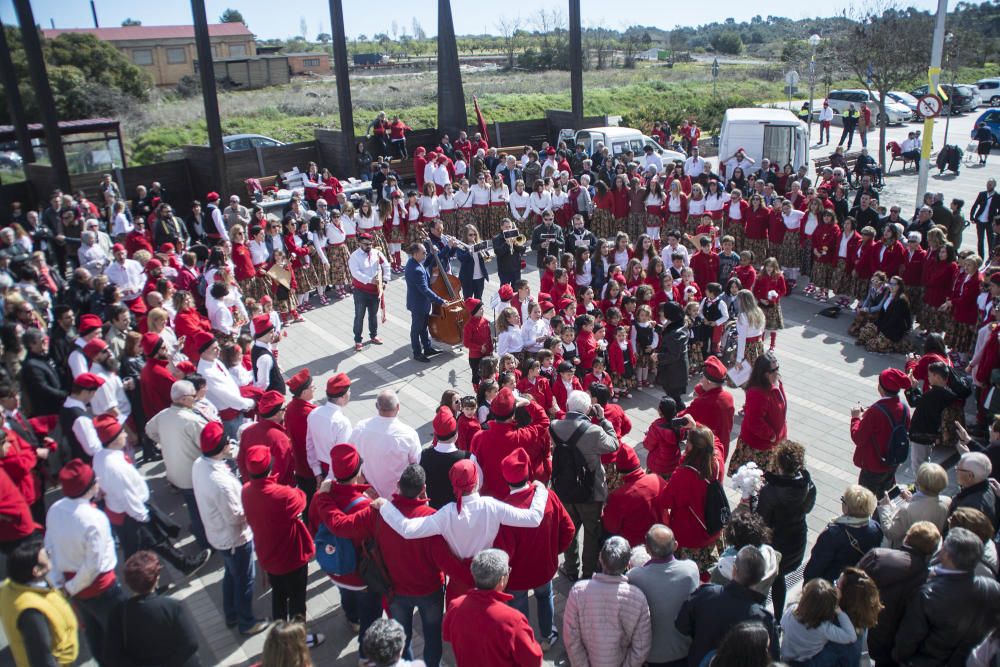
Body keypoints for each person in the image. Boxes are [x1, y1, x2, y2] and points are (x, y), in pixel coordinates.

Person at [191, 422, 269, 637]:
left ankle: (231, 612)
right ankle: (246, 621)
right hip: (234, 538)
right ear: (223, 446)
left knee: (231, 574)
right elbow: (235, 517)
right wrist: (255, 508)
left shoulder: (200, 464)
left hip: (219, 535)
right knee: (244, 579)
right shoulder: (220, 483)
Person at [45, 460, 125, 664]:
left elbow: (49, 549)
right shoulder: (93, 518)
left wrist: (60, 584)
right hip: (101, 589)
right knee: (121, 639)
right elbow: (93, 566)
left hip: (76, 590)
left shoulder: (55, 509)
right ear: (89, 487)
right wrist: (70, 587)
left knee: (95, 637)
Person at [494, 447, 575, 650]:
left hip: (518, 577)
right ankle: (548, 635)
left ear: (506, 478)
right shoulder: (549, 497)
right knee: (544, 597)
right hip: (544, 567)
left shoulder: (505, 510)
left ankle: (524, 641)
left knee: (519, 606)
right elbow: (569, 529)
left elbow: (504, 552)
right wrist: (554, 551)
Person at [241, 446, 322, 647]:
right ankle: (299, 640)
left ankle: (278, 635)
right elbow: (302, 499)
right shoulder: (283, 494)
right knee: (296, 601)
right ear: (270, 468)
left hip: (268, 556)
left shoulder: (246, 491)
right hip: (292, 557)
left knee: (278, 597)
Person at [894, 528, 1000, 666]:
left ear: (946, 555)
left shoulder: (928, 595)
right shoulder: (993, 588)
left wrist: (899, 658)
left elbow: (908, 640)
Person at [550, 389, 620, 581]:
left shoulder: (555, 426)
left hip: (564, 488)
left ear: (567, 407)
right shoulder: (594, 431)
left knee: (569, 530)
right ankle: (588, 573)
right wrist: (603, 419)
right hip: (591, 491)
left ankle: (571, 568)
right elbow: (613, 444)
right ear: (588, 409)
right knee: (591, 533)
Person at [675, 546, 779, 666]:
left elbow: (681, 625)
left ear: (734, 570)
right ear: (760, 578)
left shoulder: (706, 594)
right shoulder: (765, 619)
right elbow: (773, 660)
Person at [858, 521, 941, 667]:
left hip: (859, 627)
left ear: (906, 538)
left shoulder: (878, 556)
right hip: (890, 646)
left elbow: (851, 582)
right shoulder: (929, 581)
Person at [442, 549, 543, 667]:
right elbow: (533, 660)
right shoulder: (513, 620)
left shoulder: (455, 606)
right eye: (508, 571)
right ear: (501, 580)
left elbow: (448, 636)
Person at [563, 535, 652, 666]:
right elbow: (642, 645)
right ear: (628, 565)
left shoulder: (578, 592)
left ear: (600, 558)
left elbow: (571, 638)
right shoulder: (638, 597)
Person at [145, 379, 211, 550]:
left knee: (192, 505)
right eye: (192, 396)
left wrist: (164, 442)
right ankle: (204, 539)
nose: (195, 398)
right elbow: (207, 444)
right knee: (199, 508)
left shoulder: (163, 415)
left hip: (176, 473)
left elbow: (149, 429)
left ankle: (199, 530)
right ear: (182, 399)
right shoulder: (192, 420)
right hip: (193, 474)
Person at [106, 550, 201, 667]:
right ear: (156, 579)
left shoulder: (118, 614)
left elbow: (113, 655)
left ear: (128, 582)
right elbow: (191, 644)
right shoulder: (172, 606)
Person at [755, 440, 816, 617]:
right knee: (780, 578)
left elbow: (761, 519)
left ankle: (759, 614)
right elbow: (808, 508)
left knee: (766, 579)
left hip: (775, 542)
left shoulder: (770, 491)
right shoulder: (808, 485)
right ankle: (778, 618)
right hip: (796, 539)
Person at [626, 525, 699, 667]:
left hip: (649, 656)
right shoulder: (690, 570)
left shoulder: (635, 576)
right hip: (683, 652)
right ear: (676, 545)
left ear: (647, 550)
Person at [0, 538, 79, 667]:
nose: (50, 556)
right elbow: (42, 658)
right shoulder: (30, 612)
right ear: (36, 571)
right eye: (47, 555)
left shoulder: (11, 587)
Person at [469, 387, 550, 498]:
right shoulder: (521, 437)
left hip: (489, 499)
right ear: (513, 415)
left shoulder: (478, 438)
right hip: (516, 498)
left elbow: (474, 469)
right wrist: (528, 403)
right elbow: (544, 421)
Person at [349, 388, 421, 499]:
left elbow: (351, 456)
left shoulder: (360, 428)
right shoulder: (409, 435)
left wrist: (364, 484)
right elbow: (416, 465)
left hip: (369, 495)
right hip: (397, 498)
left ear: (377, 406)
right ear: (398, 407)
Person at [851, 367, 911, 497]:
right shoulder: (905, 409)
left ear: (881, 388)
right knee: (885, 499)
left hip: (873, 465)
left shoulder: (876, 411)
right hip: (891, 463)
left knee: (864, 502)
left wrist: (856, 418)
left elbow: (858, 437)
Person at [804, 484, 883, 582]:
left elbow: (816, 566)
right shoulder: (875, 527)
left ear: (848, 508)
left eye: (843, 500)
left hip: (833, 583)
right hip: (857, 580)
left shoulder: (833, 534)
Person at [729, 352, 787, 475]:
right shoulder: (757, 393)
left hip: (773, 444)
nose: (777, 372)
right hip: (759, 448)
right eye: (773, 370)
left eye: (777, 368)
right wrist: (771, 435)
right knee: (755, 485)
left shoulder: (776, 383)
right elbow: (754, 421)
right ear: (763, 373)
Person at [601, 445, 668, 546]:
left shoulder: (618, 496)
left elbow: (610, 526)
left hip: (635, 545)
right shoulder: (657, 479)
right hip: (662, 537)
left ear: (620, 473)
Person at [779, 578, 857, 664]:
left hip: (785, 659)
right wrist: (839, 611)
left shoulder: (791, 611)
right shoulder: (824, 628)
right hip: (807, 662)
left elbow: (782, 625)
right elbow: (851, 636)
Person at [876, 461, 950, 547]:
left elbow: (890, 533)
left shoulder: (907, 510)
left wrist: (885, 506)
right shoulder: (947, 502)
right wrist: (912, 500)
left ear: (919, 482)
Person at [679, 356, 736, 456]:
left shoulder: (702, 402)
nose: (701, 380)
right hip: (721, 449)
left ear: (709, 381)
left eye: (702, 377)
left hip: (702, 452)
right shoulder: (729, 397)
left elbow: (681, 418)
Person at [348, 232, 392, 352]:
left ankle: (373, 335)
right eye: (366, 244)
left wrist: (385, 281)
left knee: (373, 315)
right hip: (360, 291)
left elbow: (386, 266)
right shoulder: (354, 256)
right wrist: (370, 280)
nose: (369, 246)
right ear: (359, 243)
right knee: (359, 316)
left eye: (370, 244)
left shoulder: (376, 253)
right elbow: (355, 273)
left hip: (374, 291)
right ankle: (358, 340)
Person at [305, 373, 353, 482]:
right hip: (335, 475)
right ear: (344, 396)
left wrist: (317, 473)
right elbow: (341, 457)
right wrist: (329, 480)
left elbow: (310, 445)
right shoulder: (342, 423)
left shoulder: (314, 413)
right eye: (349, 391)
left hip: (320, 469)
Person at [404, 242, 446, 362]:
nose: (425, 254)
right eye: (424, 252)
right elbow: (425, 290)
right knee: (417, 329)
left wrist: (433, 254)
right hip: (418, 305)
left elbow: (427, 264)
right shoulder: (415, 269)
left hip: (421, 304)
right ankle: (417, 353)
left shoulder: (415, 262)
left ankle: (427, 348)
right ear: (416, 254)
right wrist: (440, 301)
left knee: (423, 327)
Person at [951, 452, 999, 530]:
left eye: (958, 469)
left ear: (970, 476)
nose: (955, 470)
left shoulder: (970, 506)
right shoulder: (988, 487)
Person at [970, 179, 999, 258]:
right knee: (980, 241)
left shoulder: (997, 196)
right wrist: (972, 216)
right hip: (980, 221)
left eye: (990, 184)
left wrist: (996, 221)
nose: (988, 186)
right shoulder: (982, 194)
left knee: (991, 241)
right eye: (987, 184)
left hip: (990, 222)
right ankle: (980, 257)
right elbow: (975, 205)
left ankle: (991, 257)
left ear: (994, 186)